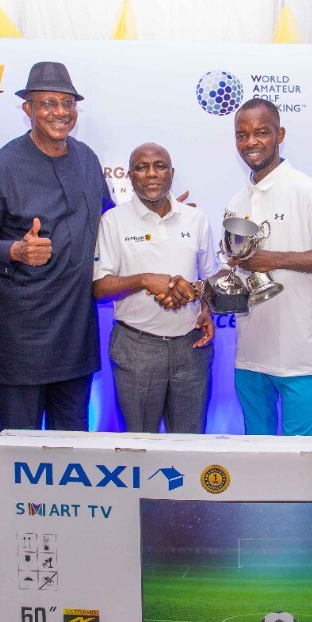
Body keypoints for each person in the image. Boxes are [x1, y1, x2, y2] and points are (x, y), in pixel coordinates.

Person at [0, 62, 112, 431]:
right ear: (28, 109)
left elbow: (111, 222)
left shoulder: (87, 159)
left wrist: (158, 215)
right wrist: (14, 251)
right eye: (48, 103)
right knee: (19, 451)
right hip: (19, 337)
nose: (60, 112)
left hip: (74, 331)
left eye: (67, 103)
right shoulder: (2, 166)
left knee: (72, 445)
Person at [227, 98, 312, 436]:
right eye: (242, 135)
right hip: (252, 348)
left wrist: (272, 259)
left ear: (279, 134)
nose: (251, 142)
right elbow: (236, 268)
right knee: (257, 443)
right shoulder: (236, 202)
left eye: (261, 132)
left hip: (300, 349)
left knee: (299, 450)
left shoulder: (307, 191)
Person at [92, 143, 218, 433]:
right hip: (137, 348)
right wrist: (146, 280)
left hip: (191, 348)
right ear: (129, 175)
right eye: (141, 167)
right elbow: (100, 288)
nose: (151, 174)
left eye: (160, 166)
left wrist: (203, 306)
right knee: (138, 448)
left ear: (171, 174)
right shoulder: (112, 221)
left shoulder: (196, 219)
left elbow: (211, 278)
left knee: (189, 445)